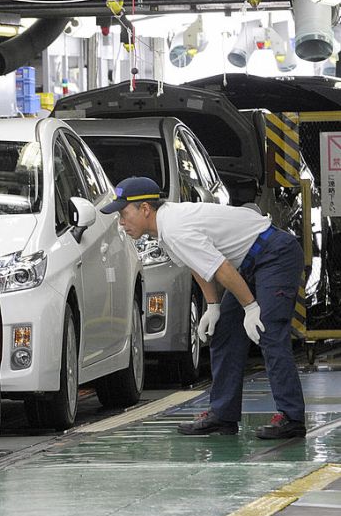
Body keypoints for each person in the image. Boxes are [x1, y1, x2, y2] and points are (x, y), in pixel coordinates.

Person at [101, 176, 306, 439]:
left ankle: (292, 418)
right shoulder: (164, 226)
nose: (121, 222)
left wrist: (251, 307)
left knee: (268, 330)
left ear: (144, 209)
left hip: (274, 254)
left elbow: (221, 267)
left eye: (124, 213)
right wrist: (214, 306)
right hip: (249, 263)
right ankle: (223, 416)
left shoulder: (174, 227)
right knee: (225, 331)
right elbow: (198, 263)